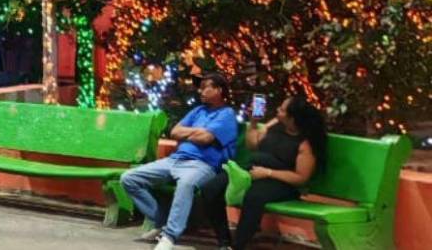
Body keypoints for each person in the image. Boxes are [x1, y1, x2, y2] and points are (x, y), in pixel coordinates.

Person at [119, 73, 239, 250]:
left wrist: (191, 133)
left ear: (219, 90)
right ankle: (161, 222)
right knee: (129, 178)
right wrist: (198, 132)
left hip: (202, 165)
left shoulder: (226, 114)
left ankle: (169, 236)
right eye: (200, 88)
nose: (200, 91)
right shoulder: (198, 111)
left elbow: (205, 138)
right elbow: (174, 132)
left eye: (205, 87)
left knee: (186, 184)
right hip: (175, 159)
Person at [202, 95, 327, 250]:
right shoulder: (276, 124)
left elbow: (301, 177)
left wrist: (268, 173)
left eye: (282, 110)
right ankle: (224, 240)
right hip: (254, 170)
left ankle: (238, 246)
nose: (278, 110)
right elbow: (253, 145)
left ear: (292, 118)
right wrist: (253, 123)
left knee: (253, 196)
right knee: (210, 189)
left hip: (281, 182)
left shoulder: (305, 144)